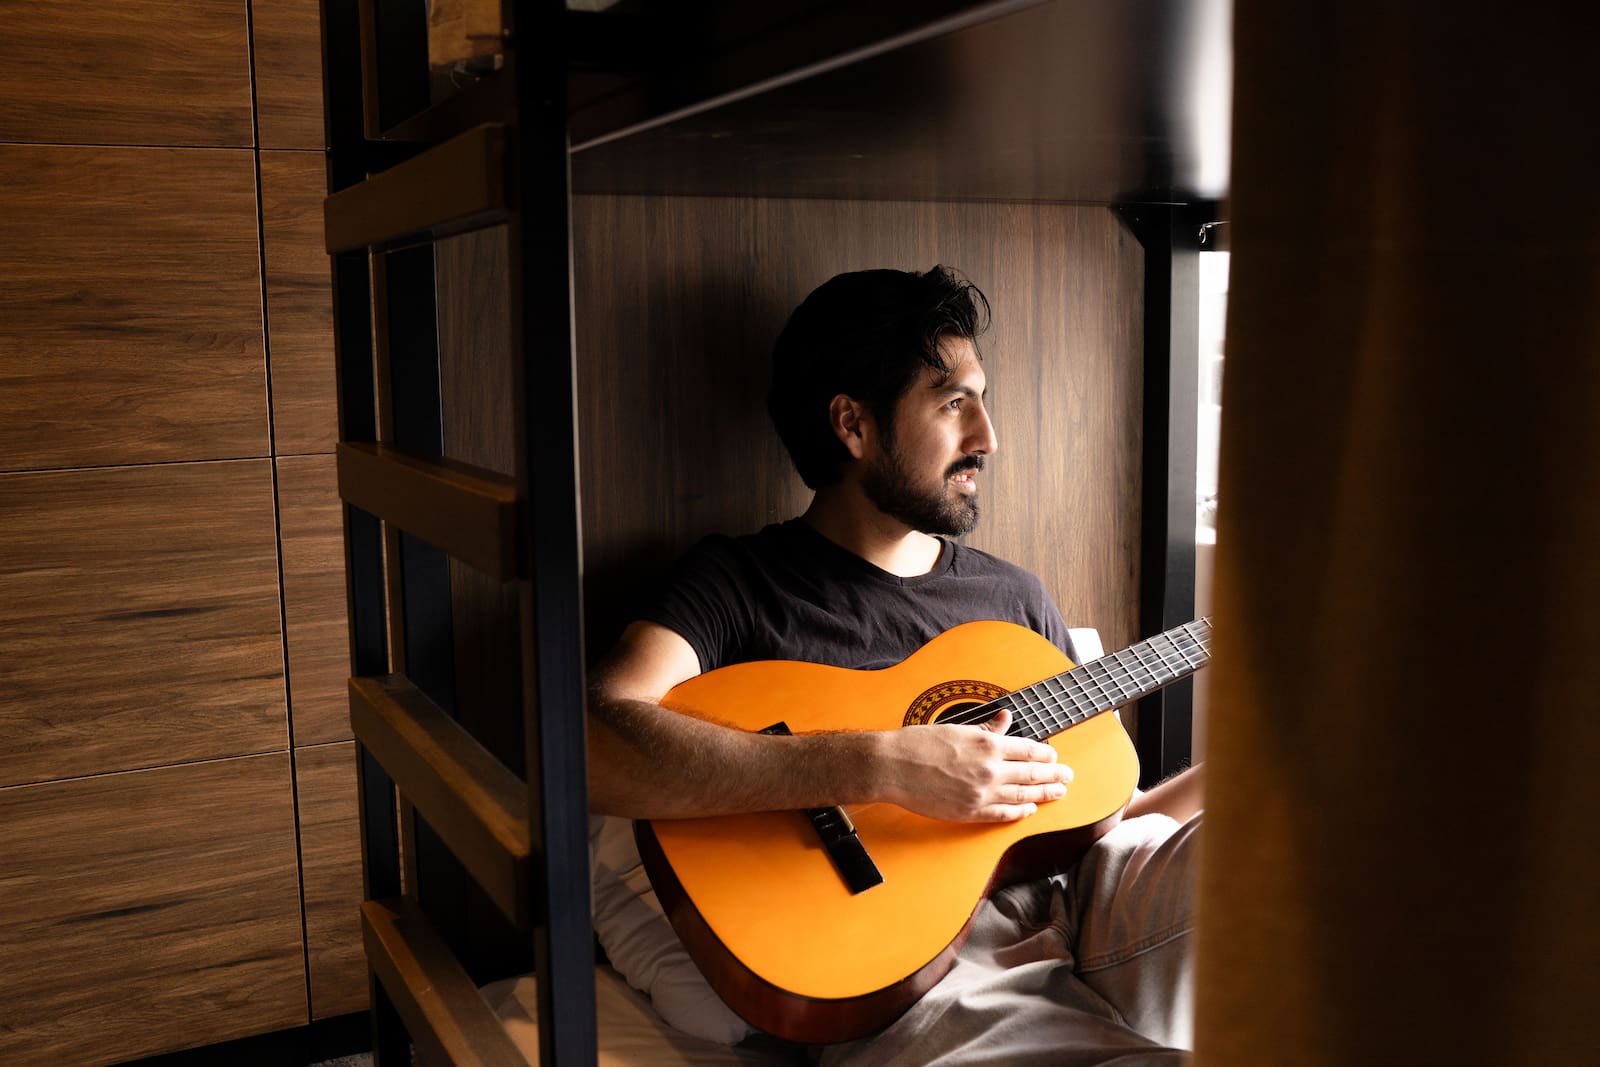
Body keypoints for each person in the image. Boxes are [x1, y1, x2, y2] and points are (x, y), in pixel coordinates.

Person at [586, 266, 1204, 1065]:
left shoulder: (1013, 595)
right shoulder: (741, 583)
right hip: (915, 971)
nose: (987, 437)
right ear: (853, 424)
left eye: (983, 401)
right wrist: (882, 765)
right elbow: (594, 743)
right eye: (952, 403)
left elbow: (1090, 820)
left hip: (1090, 899)